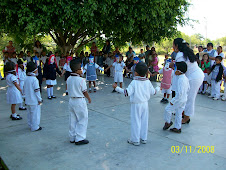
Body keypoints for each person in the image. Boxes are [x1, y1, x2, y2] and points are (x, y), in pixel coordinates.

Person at [113, 62, 158, 145]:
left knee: (136, 121)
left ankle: (135, 140)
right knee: (144, 121)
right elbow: (153, 92)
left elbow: (126, 93)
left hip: (136, 104)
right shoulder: (147, 81)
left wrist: (117, 88)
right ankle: (144, 138)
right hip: (145, 104)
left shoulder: (134, 82)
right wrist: (158, 88)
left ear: (136, 72)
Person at [172, 38, 204, 124]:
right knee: (185, 95)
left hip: (194, 77)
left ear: (177, 46)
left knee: (189, 97)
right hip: (195, 75)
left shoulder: (179, 55)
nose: (172, 46)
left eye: (173, 44)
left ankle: (187, 117)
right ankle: (184, 112)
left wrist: (172, 66)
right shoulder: (185, 53)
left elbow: (180, 69)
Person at [67, 59, 91, 145]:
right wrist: (89, 98)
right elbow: (84, 91)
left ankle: (72, 137)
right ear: (77, 70)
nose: (82, 70)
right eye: (81, 68)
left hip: (71, 100)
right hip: (79, 101)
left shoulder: (69, 78)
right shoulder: (81, 80)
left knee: (72, 119)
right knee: (82, 118)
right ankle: (80, 138)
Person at [163, 61, 190, 133]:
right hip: (184, 98)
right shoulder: (185, 78)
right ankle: (178, 127)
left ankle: (168, 122)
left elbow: (180, 93)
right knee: (179, 113)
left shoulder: (181, 80)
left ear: (179, 71)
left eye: (175, 68)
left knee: (167, 109)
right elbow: (188, 89)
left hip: (179, 99)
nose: (174, 70)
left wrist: (173, 101)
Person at [24, 61, 42, 131]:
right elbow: (37, 91)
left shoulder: (26, 78)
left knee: (29, 113)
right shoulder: (34, 79)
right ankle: (35, 126)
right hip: (34, 100)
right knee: (35, 114)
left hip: (28, 99)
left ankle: (30, 124)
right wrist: (39, 99)